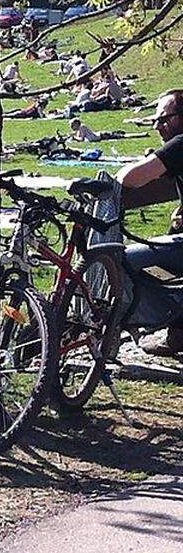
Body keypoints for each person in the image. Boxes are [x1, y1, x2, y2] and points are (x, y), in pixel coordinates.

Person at [115, 90, 183, 356]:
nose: (157, 126)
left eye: (163, 118)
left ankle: (167, 324)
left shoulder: (179, 146)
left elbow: (130, 178)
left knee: (121, 258)